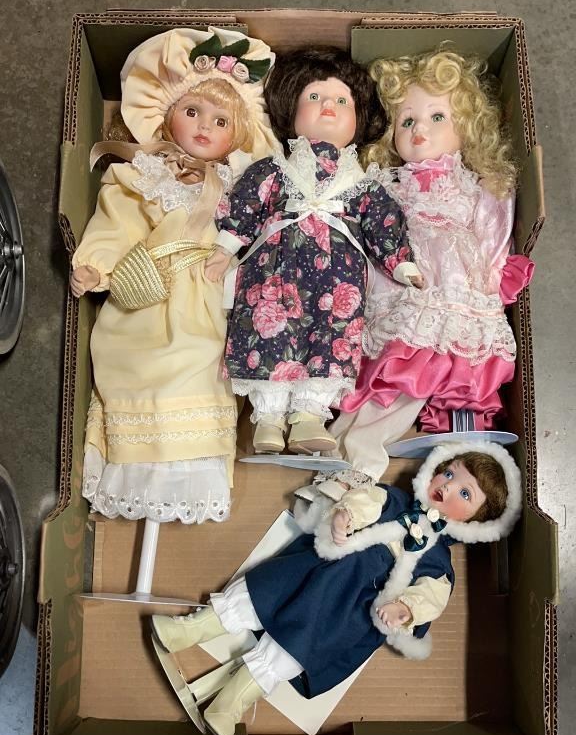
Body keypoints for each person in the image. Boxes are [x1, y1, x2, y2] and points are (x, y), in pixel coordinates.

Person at [151, 439, 521, 735]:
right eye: (449, 472)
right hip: (321, 568)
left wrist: (405, 609)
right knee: (262, 592)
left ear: (473, 525)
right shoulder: (393, 501)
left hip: (350, 609)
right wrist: (346, 516)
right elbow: (365, 501)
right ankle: (189, 630)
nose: (448, 486)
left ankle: (230, 704)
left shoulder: (438, 563)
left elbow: (431, 598)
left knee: (296, 647)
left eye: (464, 493)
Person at [70, 26, 278, 525]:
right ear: (165, 114)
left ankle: (184, 473)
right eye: (192, 111)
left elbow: (259, 241)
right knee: (139, 367)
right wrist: (96, 264)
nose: (204, 127)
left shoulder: (242, 185)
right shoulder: (142, 174)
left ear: (238, 135)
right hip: (147, 293)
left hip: (208, 300)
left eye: (221, 121)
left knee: (202, 369)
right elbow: (117, 220)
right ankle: (135, 464)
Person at [325, 49, 534, 489]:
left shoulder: (476, 186)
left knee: (424, 373)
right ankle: (343, 446)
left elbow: (494, 232)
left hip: (454, 288)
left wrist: (490, 281)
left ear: (467, 126)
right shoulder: (386, 186)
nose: (419, 129)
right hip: (401, 286)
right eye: (407, 121)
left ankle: (369, 459)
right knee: (388, 370)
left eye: (437, 116)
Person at [205, 46, 421, 456]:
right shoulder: (275, 168)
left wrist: (401, 263)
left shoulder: (363, 184)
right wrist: (225, 247)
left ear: (358, 118)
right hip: (273, 271)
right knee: (269, 331)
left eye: (342, 100)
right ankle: (268, 419)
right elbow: (247, 203)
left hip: (336, 283)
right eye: (315, 97)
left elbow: (382, 222)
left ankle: (309, 416)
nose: (328, 106)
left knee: (330, 337)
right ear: (292, 110)